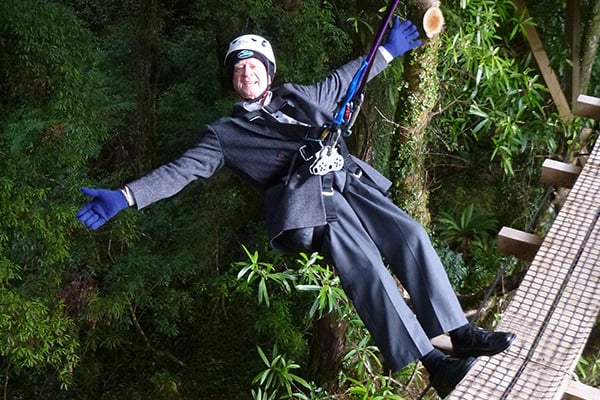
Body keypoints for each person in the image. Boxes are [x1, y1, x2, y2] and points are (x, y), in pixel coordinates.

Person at [77, 17, 515, 398]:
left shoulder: (300, 96)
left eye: (254, 65)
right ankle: (435, 366)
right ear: (232, 80)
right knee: (371, 273)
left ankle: (460, 333)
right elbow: (181, 170)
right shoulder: (225, 133)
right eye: (239, 68)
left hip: (347, 179)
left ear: (268, 72)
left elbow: (347, 80)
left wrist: (385, 52)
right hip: (311, 205)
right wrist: (127, 195)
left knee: (411, 236)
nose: (247, 72)